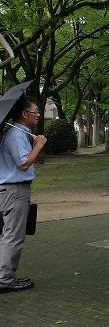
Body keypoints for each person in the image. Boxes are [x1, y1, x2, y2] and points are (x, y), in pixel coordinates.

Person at [0, 96, 46, 293]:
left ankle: (4, 276)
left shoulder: (18, 133)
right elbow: (24, 163)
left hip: (11, 190)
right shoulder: (16, 136)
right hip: (15, 190)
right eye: (35, 112)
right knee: (13, 235)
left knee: (8, 234)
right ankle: (5, 279)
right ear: (24, 114)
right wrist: (39, 145)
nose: (38, 115)